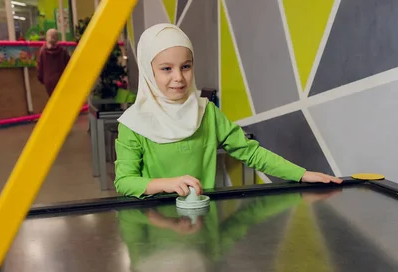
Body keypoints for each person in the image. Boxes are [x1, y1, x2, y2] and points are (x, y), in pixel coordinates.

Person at [114, 23, 342, 199]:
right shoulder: (134, 123)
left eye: (186, 66)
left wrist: (302, 175)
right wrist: (167, 184)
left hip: (202, 223)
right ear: (148, 71)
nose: (179, 77)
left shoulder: (207, 113)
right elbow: (124, 181)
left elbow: (250, 153)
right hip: (155, 229)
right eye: (166, 69)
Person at [36, 28, 70, 96]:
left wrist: (42, 79)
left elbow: (39, 68)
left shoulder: (43, 51)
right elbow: (69, 65)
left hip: (48, 81)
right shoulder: (63, 51)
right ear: (57, 38)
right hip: (62, 79)